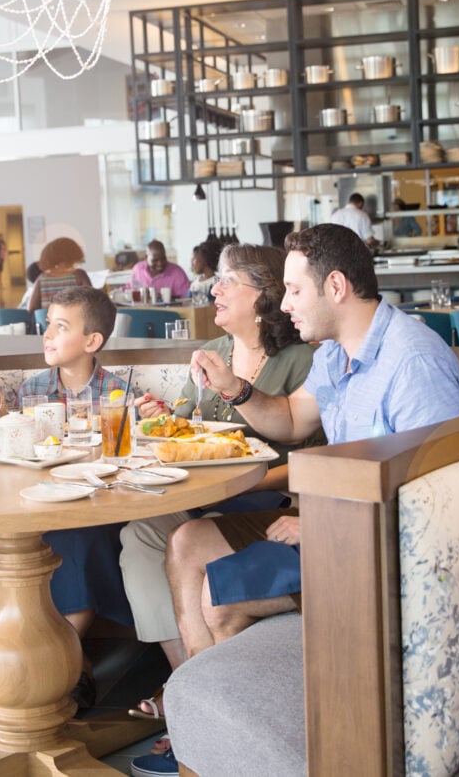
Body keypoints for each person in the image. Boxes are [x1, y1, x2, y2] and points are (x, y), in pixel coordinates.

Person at [128, 225, 459, 776]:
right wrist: (234, 390)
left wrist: (322, 526)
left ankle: (239, 750)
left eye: (293, 291)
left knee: (218, 596)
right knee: (188, 542)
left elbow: (433, 494)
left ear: (334, 286)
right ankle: (206, 739)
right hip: (330, 517)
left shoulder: (412, 364)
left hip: (377, 543)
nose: (283, 305)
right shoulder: (337, 354)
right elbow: (289, 419)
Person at [121, 243, 324, 713]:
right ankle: (183, 680)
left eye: (229, 280)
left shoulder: (301, 361)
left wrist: (254, 482)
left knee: (185, 533)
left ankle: (195, 701)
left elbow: (314, 456)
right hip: (203, 491)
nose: (216, 288)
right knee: (139, 535)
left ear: (264, 296)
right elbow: (189, 427)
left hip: (266, 498)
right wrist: (161, 417)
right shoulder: (212, 351)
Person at [17, 286, 136, 708]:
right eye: (48, 324)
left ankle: (59, 657)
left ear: (92, 342)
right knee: (50, 538)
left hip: (99, 504)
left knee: (85, 536)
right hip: (45, 502)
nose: (48, 334)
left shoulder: (118, 393)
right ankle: (73, 660)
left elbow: (126, 457)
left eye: (61, 326)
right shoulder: (32, 391)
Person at [27, 237, 90, 312]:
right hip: (73, 321)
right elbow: (92, 300)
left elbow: (31, 308)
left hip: (49, 322)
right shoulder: (79, 275)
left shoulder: (41, 279)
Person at [125, 240, 191, 298]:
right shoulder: (138, 269)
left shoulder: (177, 272)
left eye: (163, 259)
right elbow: (130, 288)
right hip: (141, 310)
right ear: (146, 257)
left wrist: (164, 298)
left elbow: (187, 298)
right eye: (155, 260)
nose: (160, 263)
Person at [186, 239, 221, 304]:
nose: (192, 263)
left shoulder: (215, 283)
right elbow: (186, 300)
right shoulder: (195, 283)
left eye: (194, 259)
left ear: (204, 260)